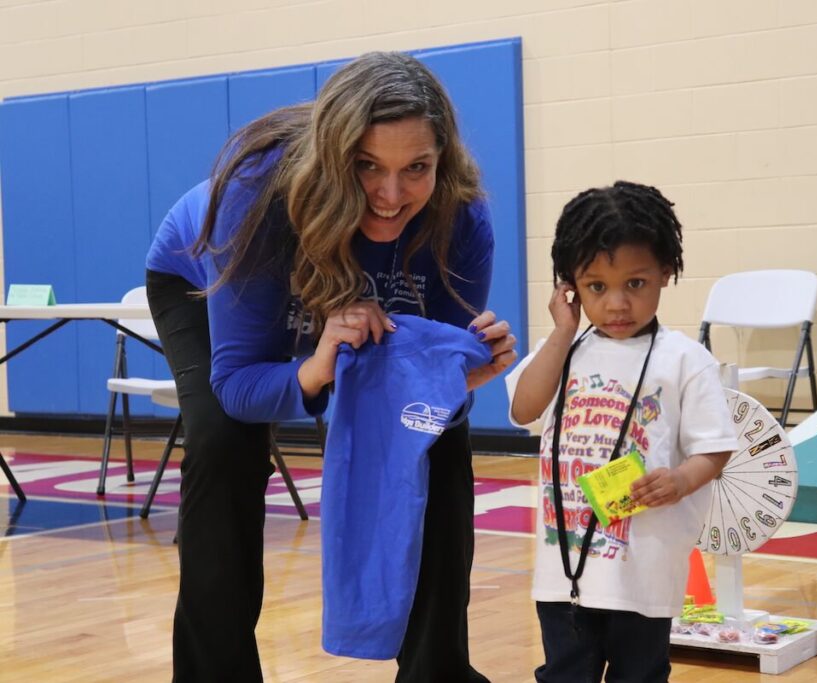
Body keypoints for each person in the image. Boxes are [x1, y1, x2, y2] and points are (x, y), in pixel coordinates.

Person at [145, 51, 516, 681]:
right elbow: (237, 387)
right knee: (221, 443)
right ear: (332, 157)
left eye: (416, 169)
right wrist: (317, 367)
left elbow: (428, 394)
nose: (392, 195)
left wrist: (459, 380)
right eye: (367, 166)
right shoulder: (253, 200)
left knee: (435, 435)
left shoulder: (462, 219)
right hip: (198, 279)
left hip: (332, 304)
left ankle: (438, 669)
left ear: (441, 163)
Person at [504, 181, 738, 682]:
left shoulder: (684, 360)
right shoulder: (563, 351)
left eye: (635, 284)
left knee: (641, 675)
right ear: (569, 286)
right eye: (596, 287)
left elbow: (714, 449)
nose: (616, 304)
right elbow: (525, 409)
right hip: (563, 575)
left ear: (665, 275)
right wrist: (563, 331)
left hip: (644, 574)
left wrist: (680, 480)